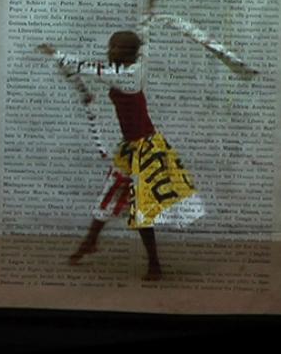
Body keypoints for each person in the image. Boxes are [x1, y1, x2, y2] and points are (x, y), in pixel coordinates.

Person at [37, 26, 200, 281]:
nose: (109, 51)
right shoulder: (137, 64)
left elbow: (87, 67)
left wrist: (56, 53)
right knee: (109, 195)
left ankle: (154, 264)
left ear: (128, 53)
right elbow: (145, 43)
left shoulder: (125, 76)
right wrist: (149, 17)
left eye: (115, 47)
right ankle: (90, 242)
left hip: (146, 149)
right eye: (110, 46)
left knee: (142, 206)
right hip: (130, 148)